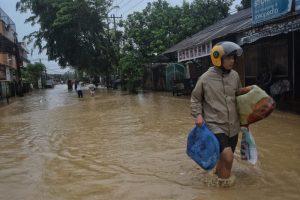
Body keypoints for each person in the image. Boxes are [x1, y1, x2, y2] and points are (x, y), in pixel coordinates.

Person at [191, 41, 243, 186]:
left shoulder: (235, 76)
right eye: (228, 58)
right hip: (215, 124)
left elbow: (239, 98)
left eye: (233, 58)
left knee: (226, 158)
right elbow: (195, 98)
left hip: (233, 125)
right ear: (217, 58)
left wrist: (246, 122)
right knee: (228, 156)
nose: (232, 61)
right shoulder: (205, 78)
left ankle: (219, 181)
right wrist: (198, 115)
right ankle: (224, 190)